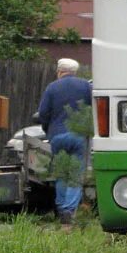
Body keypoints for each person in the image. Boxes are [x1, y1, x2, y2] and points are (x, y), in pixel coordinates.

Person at [37, 58, 92, 226]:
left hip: (57, 136)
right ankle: (69, 210)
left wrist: (48, 130)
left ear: (60, 72)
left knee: (61, 174)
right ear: (75, 71)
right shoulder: (85, 86)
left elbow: (43, 113)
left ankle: (62, 209)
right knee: (75, 175)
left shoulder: (52, 87)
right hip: (78, 136)